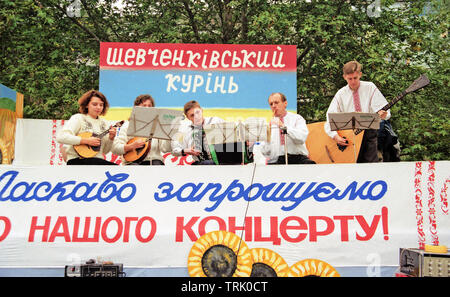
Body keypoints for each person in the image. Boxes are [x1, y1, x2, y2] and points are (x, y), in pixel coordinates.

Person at [324, 60, 390, 163]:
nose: (353, 81)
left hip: (369, 133)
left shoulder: (370, 87)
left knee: (371, 165)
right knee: (352, 168)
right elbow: (329, 117)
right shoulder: (341, 94)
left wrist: (384, 114)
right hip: (349, 136)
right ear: (344, 77)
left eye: (355, 78)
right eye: (349, 79)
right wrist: (335, 136)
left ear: (360, 75)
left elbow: (383, 110)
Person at [56, 90, 118, 165]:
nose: (98, 107)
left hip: (98, 161)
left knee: (116, 169)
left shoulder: (105, 123)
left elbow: (105, 151)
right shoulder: (78, 118)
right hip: (78, 160)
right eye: (94, 104)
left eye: (101, 105)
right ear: (86, 105)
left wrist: (111, 138)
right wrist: (85, 141)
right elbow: (61, 137)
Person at [111, 94, 171, 165]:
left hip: (154, 162)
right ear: (136, 108)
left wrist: (168, 135)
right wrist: (131, 146)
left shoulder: (157, 126)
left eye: (149, 106)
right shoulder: (127, 125)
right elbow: (115, 149)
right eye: (144, 106)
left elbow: (165, 149)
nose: (147, 108)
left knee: (157, 164)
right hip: (132, 163)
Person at [260, 92, 315, 164]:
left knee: (311, 166)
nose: (273, 106)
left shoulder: (297, 118)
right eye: (271, 104)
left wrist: (283, 126)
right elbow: (265, 153)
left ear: (285, 103)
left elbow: (301, 138)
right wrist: (267, 138)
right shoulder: (269, 125)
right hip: (278, 159)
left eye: (276, 103)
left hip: (297, 157)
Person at [172, 100, 224, 165]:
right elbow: (174, 150)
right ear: (188, 118)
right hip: (200, 164)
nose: (196, 117)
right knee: (208, 163)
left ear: (202, 110)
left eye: (197, 112)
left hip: (222, 160)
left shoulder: (216, 121)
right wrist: (185, 151)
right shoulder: (184, 130)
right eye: (192, 115)